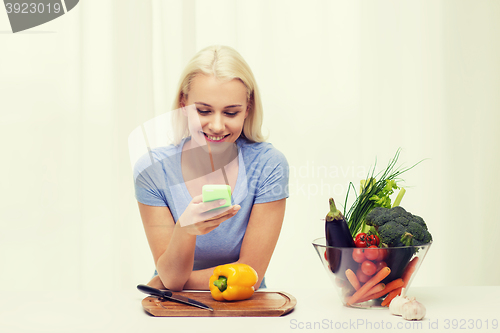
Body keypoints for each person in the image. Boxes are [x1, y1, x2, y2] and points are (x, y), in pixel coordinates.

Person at [133, 45, 288, 291]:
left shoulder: (268, 165)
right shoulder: (152, 170)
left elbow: (251, 274)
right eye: (203, 111)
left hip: (244, 308)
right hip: (173, 309)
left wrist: (174, 282)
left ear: (247, 109)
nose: (216, 125)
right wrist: (186, 229)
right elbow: (173, 278)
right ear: (183, 104)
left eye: (231, 112)